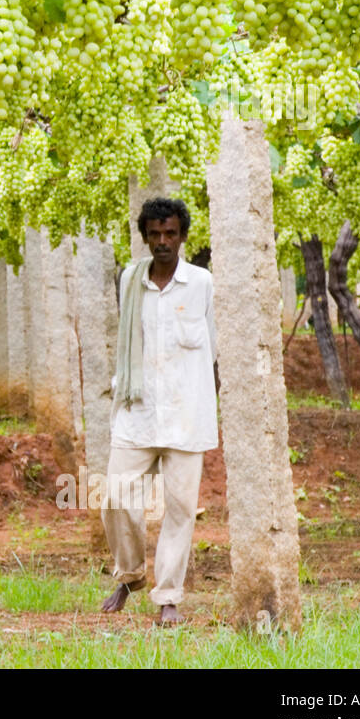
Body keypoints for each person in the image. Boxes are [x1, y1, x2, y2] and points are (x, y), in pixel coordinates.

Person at [101, 197, 218, 627]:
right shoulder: (131, 281)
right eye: (155, 234)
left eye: (171, 233)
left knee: (180, 508)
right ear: (145, 237)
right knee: (115, 495)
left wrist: (205, 394)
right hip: (137, 410)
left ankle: (169, 596)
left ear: (183, 236)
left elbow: (214, 346)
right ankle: (130, 574)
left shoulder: (201, 283)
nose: (163, 241)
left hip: (188, 413)